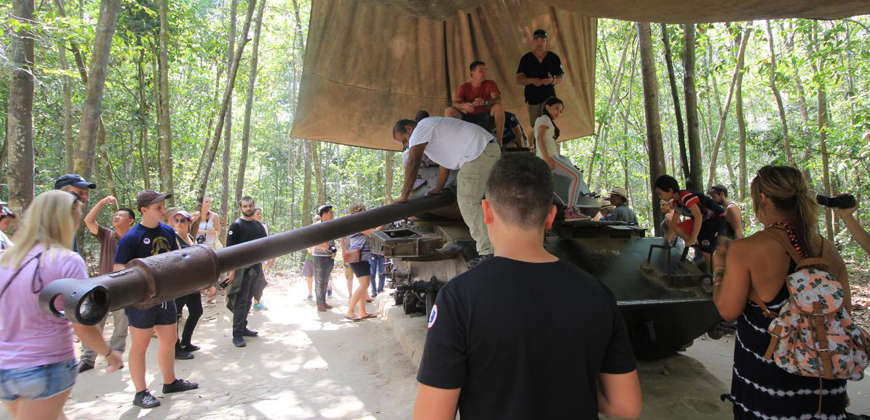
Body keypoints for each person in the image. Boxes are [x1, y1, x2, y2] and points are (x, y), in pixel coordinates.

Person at [413, 153, 641, 420]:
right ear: (550, 216)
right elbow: (626, 407)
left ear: (486, 211)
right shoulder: (598, 294)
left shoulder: (458, 299)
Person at [713, 165, 850, 419]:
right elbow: (844, 317)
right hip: (825, 391)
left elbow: (727, 310)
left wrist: (719, 266)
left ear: (763, 198)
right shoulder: (829, 250)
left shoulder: (746, 249)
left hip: (770, 391)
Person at [0, 191, 124, 420]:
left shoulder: (7, 259)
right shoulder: (66, 261)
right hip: (45, 366)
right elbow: (81, 324)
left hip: (6, 370)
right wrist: (109, 353)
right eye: (76, 217)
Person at [114, 189, 198, 408]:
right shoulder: (131, 238)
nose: (163, 211)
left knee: (169, 340)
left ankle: (169, 381)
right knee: (140, 345)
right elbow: (118, 270)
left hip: (165, 296)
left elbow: (176, 259)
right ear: (144, 210)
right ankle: (141, 392)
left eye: (163, 206)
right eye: (158, 208)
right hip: (141, 301)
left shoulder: (168, 232)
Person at [392, 117, 501, 267]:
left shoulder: (420, 129)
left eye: (404, 140)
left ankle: (487, 253)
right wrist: (438, 188)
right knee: (487, 204)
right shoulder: (432, 130)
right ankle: (500, 247)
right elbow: (445, 162)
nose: (406, 145)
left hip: (477, 154)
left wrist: (404, 196)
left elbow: (413, 162)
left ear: (409, 129)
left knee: (468, 202)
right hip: (488, 149)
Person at [78, 196, 134, 372]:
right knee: (93, 321)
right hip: (101, 287)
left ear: (130, 221)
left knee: (121, 325)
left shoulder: (134, 239)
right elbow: (88, 220)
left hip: (124, 288)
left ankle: (116, 355)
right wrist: (101, 203)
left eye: (121, 215)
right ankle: (87, 358)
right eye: (115, 215)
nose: (116, 217)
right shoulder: (107, 235)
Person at [532, 97, 585, 220]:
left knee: (546, 190)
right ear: (547, 107)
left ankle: (543, 222)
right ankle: (571, 211)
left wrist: (536, 151)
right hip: (550, 157)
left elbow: (533, 135)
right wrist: (547, 158)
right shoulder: (545, 119)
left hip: (543, 158)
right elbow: (539, 137)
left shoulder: (540, 120)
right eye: (556, 108)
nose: (558, 113)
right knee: (577, 176)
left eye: (560, 111)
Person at [224, 197, 267, 348]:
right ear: (241, 208)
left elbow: (264, 246)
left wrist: (262, 268)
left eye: (250, 206)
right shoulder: (236, 226)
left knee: (249, 299)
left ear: (254, 207)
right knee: (241, 302)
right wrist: (232, 272)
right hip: (242, 269)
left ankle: (243, 327)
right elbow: (230, 251)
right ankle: (237, 335)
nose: (248, 208)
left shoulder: (259, 226)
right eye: (245, 206)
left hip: (255, 268)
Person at [654, 174, 725, 264]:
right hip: (703, 220)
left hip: (716, 218)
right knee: (677, 228)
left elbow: (698, 216)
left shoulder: (685, 196)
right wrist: (667, 240)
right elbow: (673, 223)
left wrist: (693, 236)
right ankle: (698, 244)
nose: (660, 197)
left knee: (707, 254)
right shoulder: (676, 203)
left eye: (660, 194)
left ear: (670, 190)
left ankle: (716, 275)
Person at [444, 61, 506, 145]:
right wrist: (464, 106)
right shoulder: (464, 87)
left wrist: (485, 102)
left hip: (486, 118)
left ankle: (499, 142)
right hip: (469, 119)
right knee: (449, 111)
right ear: (472, 73)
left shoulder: (490, 83)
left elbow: (498, 100)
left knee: (498, 107)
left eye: (485, 71)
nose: (484, 73)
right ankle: (456, 142)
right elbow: (455, 103)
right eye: (481, 71)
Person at [170, 210, 204, 355]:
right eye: (176, 220)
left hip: (193, 283)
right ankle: (175, 348)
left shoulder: (190, 237)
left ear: (189, 222)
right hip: (180, 284)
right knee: (175, 316)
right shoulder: (174, 238)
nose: (179, 223)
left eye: (183, 220)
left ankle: (186, 341)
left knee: (197, 311)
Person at [516, 29, 564, 125]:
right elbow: (519, 79)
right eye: (537, 39)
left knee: (548, 126)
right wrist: (532, 80)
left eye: (542, 39)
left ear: (546, 41)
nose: (539, 42)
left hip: (549, 97)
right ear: (533, 41)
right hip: (532, 97)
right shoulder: (526, 58)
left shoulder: (553, 58)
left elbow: (561, 76)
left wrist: (552, 80)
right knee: (536, 127)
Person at [344, 204, 381, 321]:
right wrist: (383, 223)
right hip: (358, 259)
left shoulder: (357, 223)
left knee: (364, 286)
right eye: (363, 210)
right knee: (364, 285)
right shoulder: (358, 224)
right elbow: (374, 233)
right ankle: (350, 311)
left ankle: (362, 312)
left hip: (361, 258)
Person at [54, 174, 96, 253]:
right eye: (80, 193)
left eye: (86, 193)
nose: (84, 197)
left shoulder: (69, 220)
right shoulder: (50, 218)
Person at [310, 205, 337, 312]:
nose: (332, 214)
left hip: (329, 256)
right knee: (319, 280)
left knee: (325, 280)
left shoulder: (331, 225)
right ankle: (319, 303)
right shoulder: (316, 226)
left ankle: (323, 301)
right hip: (319, 257)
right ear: (324, 214)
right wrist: (326, 247)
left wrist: (334, 251)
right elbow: (313, 241)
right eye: (330, 212)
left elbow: (332, 241)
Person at [197, 196, 222, 303]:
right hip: (198, 245)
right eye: (205, 201)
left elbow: (218, 231)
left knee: (210, 268)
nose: (207, 203)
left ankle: (212, 288)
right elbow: (191, 229)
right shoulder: (196, 215)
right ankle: (207, 288)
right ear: (201, 203)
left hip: (211, 245)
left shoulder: (214, 216)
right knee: (200, 268)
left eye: (209, 202)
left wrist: (210, 232)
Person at [251, 207, 275, 310]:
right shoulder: (247, 227)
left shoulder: (264, 227)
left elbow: (266, 242)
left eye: (261, 214)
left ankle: (256, 302)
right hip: (250, 258)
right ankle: (250, 302)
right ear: (252, 215)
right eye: (257, 214)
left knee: (260, 279)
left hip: (261, 257)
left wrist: (271, 255)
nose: (260, 215)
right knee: (255, 279)